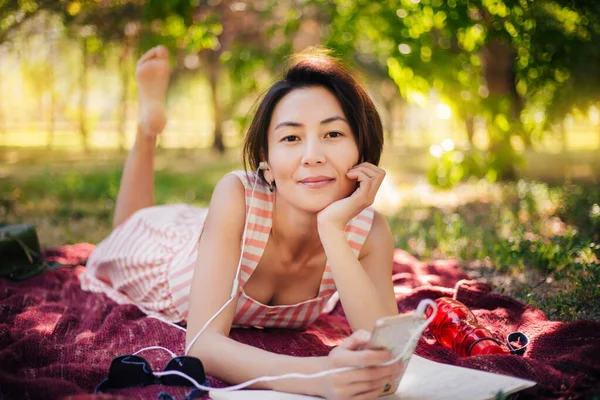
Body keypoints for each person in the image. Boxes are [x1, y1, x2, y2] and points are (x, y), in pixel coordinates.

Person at [80, 45, 401, 400]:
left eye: (333, 134)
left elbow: (387, 350)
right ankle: (148, 129)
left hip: (218, 234)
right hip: (164, 256)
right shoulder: (237, 193)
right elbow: (201, 345)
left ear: (362, 149)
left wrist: (332, 230)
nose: (312, 156)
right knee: (125, 229)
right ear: (266, 160)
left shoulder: (369, 231)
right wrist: (318, 374)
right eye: (291, 138)